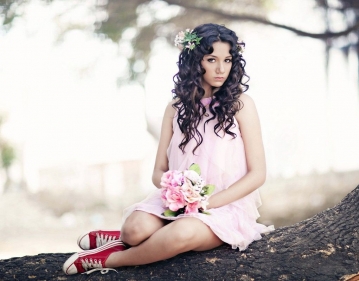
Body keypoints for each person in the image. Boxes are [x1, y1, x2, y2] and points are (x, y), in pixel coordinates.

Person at [62, 23, 274, 275]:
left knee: (181, 233)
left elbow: (257, 174)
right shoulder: (175, 108)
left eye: (227, 60)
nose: (221, 68)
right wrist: (177, 192)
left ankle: (109, 260)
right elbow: (158, 171)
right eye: (212, 59)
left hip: (224, 208)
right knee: (134, 230)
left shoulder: (241, 105)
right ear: (196, 61)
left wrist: (206, 203)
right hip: (177, 203)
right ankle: (125, 239)